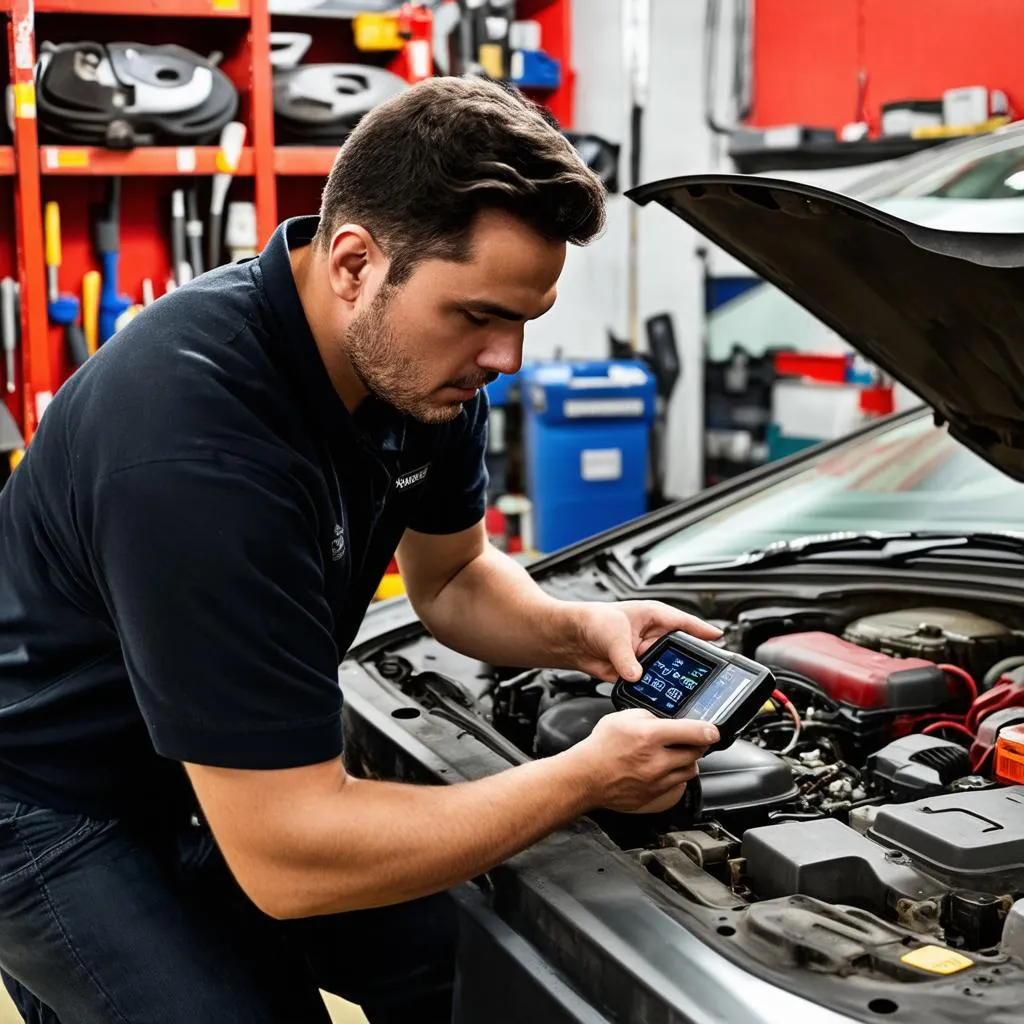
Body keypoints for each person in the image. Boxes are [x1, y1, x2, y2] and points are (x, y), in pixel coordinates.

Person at [0, 76, 719, 1023]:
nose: (507, 359)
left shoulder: (418, 372)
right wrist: (583, 775)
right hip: (53, 798)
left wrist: (579, 630)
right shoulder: (196, 451)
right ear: (354, 263)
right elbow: (293, 860)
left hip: (209, 757)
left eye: (524, 321)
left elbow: (453, 576)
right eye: (477, 316)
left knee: (462, 954)